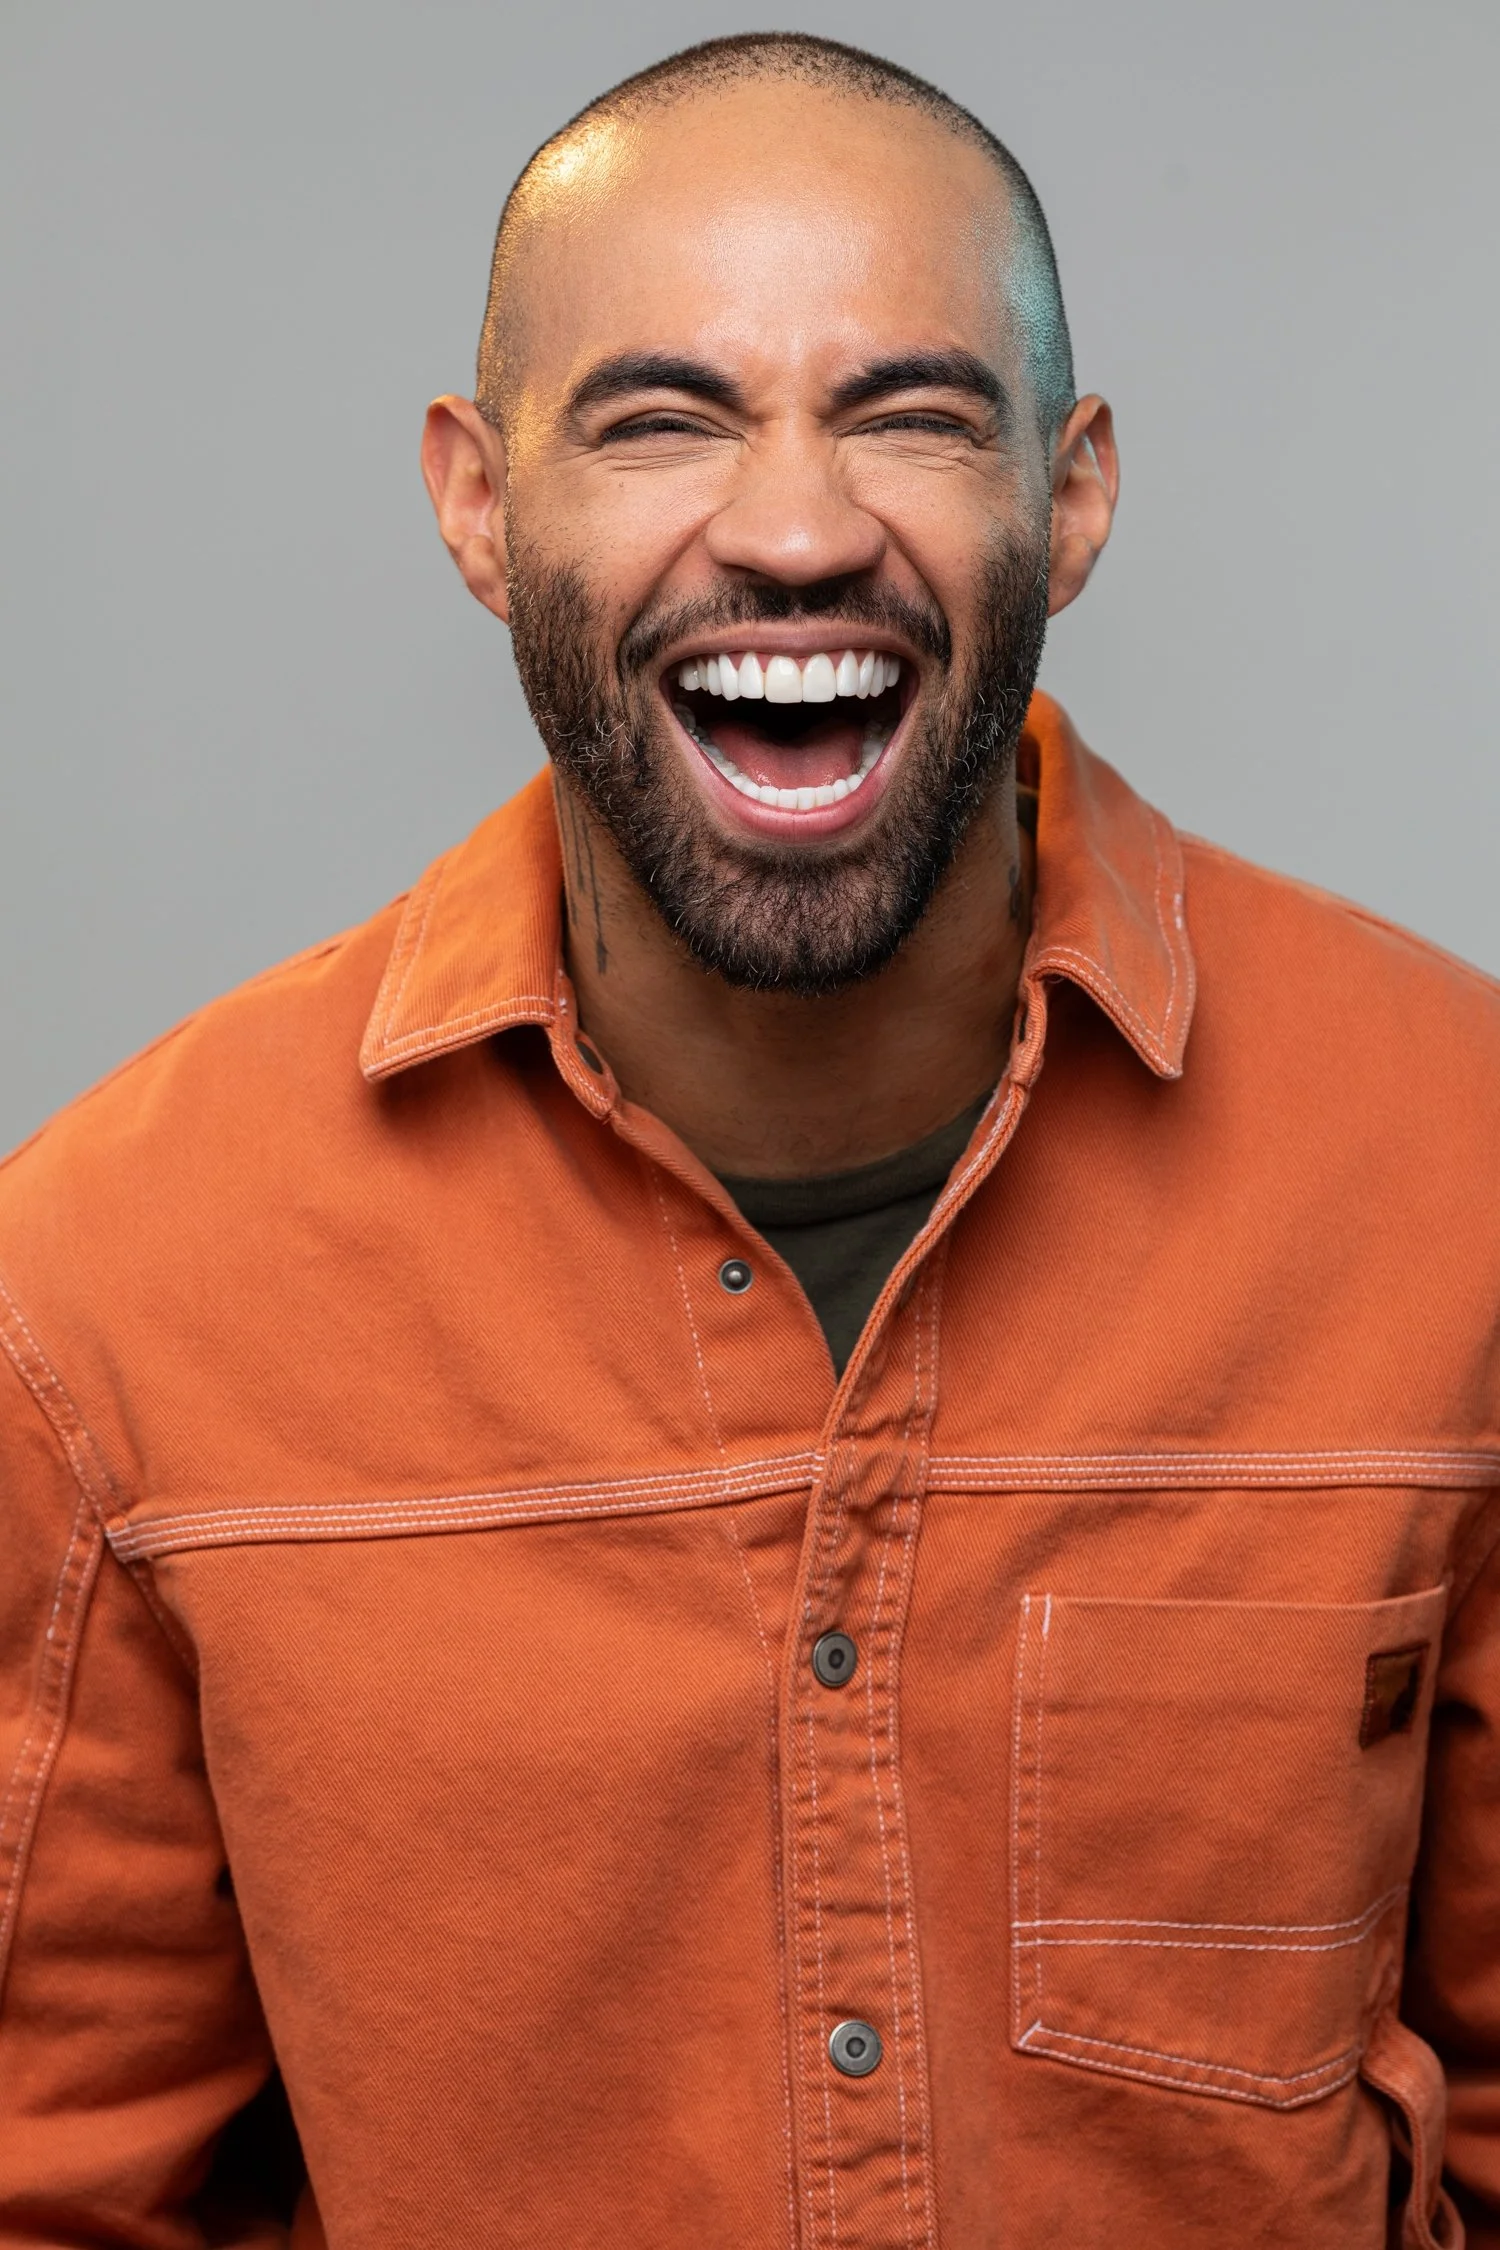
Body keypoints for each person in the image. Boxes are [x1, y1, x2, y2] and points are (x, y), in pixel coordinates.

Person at [0, 29, 1495, 2249]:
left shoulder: (1454, 1166)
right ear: (479, 502)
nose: (796, 531)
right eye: (661, 420)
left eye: (909, 413)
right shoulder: (108, 1281)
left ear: (1069, 499)